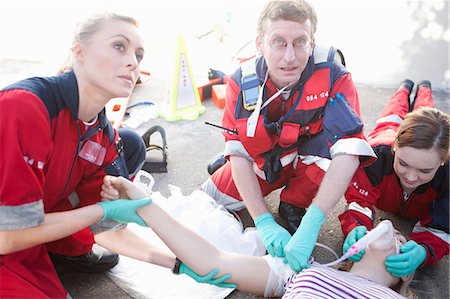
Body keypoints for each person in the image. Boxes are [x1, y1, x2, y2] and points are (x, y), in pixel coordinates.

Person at [0, 13, 229, 298]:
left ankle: (63, 249)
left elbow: (106, 225)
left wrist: (177, 265)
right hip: (8, 234)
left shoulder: (99, 130)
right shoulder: (25, 107)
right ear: (79, 51)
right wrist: (104, 210)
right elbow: (7, 237)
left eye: (139, 54)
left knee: (129, 147)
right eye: (119, 46)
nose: (133, 62)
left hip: (24, 225)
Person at [201, 0, 376, 271]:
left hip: (307, 156)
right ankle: (225, 166)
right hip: (263, 158)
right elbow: (237, 150)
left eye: (300, 42)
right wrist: (262, 221)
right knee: (211, 202)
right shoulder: (240, 80)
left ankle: (293, 204)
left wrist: (314, 222)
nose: (290, 58)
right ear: (260, 44)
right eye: (278, 42)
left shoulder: (334, 75)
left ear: (312, 42)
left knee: (335, 154)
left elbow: (350, 151)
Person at [99, 174, 417, 298]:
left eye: (402, 244)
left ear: (402, 278)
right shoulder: (300, 271)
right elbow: (211, 261)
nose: (392, 234)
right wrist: (145, 206)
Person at [339, 79, 449, 277]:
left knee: (428, 114)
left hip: (423, 139)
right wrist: (355, 227)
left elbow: (443, 228)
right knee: (393, 111)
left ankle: (424, 88)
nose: (411, 177)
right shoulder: (374, 158)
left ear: (443, 161)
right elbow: (358, 203)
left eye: (425, 171)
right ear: (395, 147)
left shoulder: (447, 177)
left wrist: (424, 251)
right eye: (403, 164)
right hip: (387, 130)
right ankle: (404, 88)